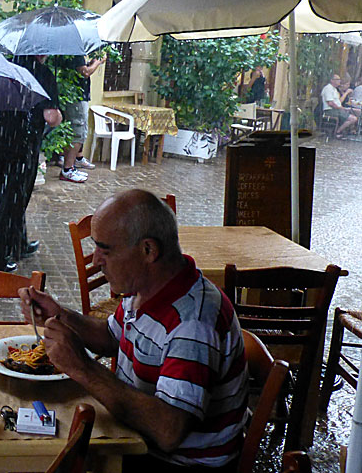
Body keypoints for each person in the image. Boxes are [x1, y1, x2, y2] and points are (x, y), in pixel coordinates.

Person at [19, 189, 248, 471]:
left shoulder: (193, 324)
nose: (95, 261)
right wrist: (61, 315)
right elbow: (112, 337)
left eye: (105, 249)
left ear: (148, 250)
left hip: (176, 463)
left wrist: (82, 367)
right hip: (132, 439)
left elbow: (168, 431)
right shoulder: (145, 288)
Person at [0, 55, 62, 272]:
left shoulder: (2, 68)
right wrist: (60, 114)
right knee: (13, 201)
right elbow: (51, 117)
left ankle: (19, 243)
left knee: (10, 195)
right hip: (22, 145)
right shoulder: (43, 74)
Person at [59, 55, 105, 183]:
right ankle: (68, 169)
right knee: (77, 132)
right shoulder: (75, 51)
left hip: (74, 97)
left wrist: (90, 63)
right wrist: (98, 62)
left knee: (73, 131)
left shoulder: (71, 50)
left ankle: (69, 166)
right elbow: (85, 72)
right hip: (77, 98)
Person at [321, 73, 358, 139]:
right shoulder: (328, 88)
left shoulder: (334, 89)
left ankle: (350, 131)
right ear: (332, 80)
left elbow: (338, 102)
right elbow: (330, 103)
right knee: (353, 118)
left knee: (354, 112)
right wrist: (341, 108)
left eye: (339, 79)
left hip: (337, 109)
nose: (339, 81)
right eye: (337, 79)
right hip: (330, 110)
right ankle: (338, 131)